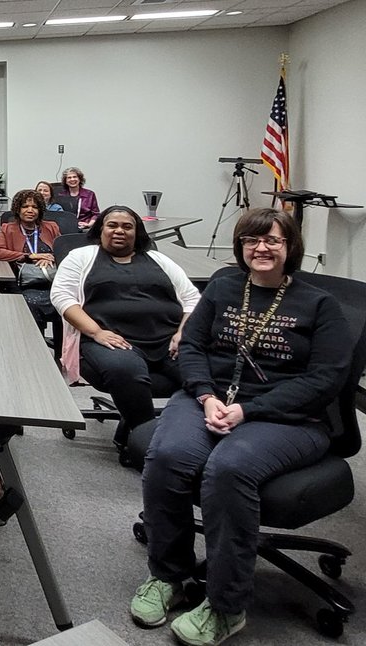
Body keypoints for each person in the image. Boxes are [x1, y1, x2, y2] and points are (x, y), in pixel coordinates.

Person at [132, 208, 349, 646]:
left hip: (287, 416)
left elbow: (325, 379)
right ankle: (168, 576)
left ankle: (226, 606)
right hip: (210, 399)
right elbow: (192, 346)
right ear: (241, 247)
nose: (261, 248)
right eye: (252, 240)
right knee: (167, 455)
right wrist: (207, 395)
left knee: (228, 470)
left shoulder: (320, 305)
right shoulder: (224, 287)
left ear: (291, 247)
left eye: (272, 240)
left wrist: (248, 410)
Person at [50, 205, 200, 446]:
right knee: (125, 369)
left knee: (204, 369)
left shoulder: (158, 259)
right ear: (100, 230)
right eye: (112, 225)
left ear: (137, 232)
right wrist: (97, 332)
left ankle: (200, 437)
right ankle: (145, 440)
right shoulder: (81, 257)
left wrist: (184, 332)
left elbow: (192, 299)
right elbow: (63, 298)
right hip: (109, 341)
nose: (119, 230)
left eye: (127, 226)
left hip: (168, 340)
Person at [0, 189, 60, 329]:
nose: (30, 210)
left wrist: (53, 257)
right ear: (18, 209)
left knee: (67, 303)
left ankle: (62, 349)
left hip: (51, 280)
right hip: (22, 282)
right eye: (25, 206)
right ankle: (35, 344)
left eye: (35, 207)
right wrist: (29, 256)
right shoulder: (7, 228)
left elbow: (64, 252)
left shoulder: (51, 227)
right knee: (30, 304)